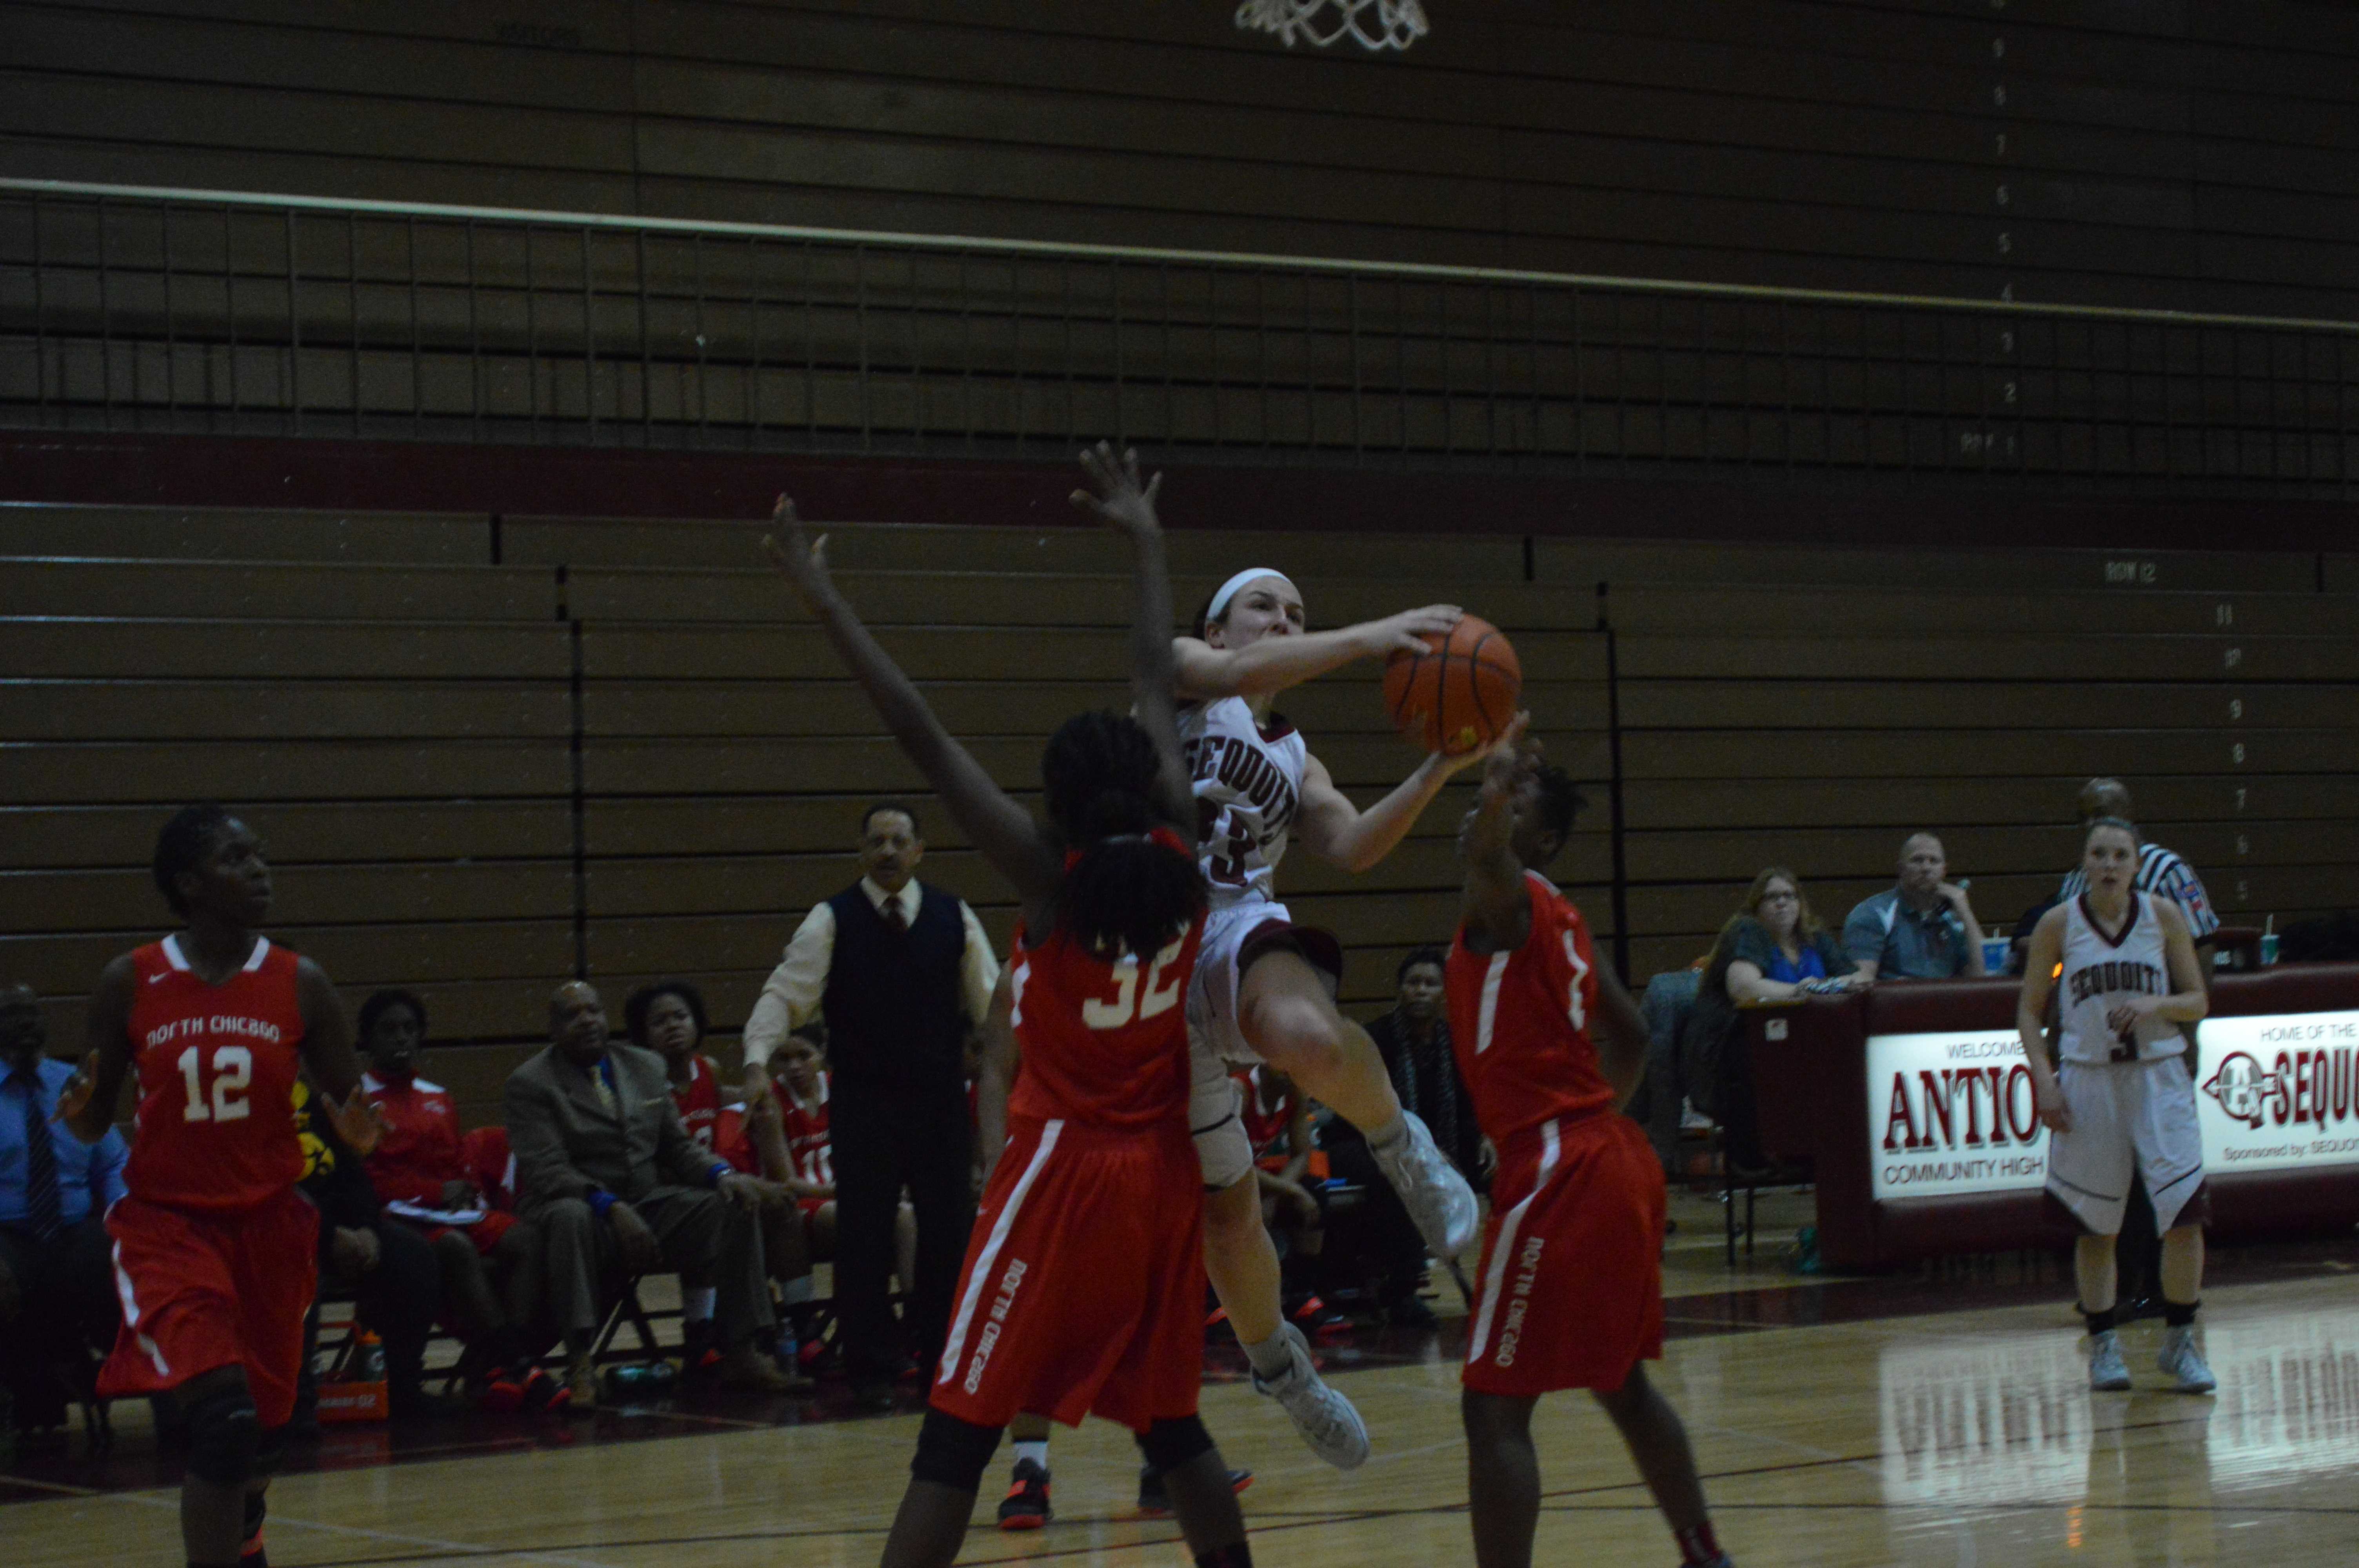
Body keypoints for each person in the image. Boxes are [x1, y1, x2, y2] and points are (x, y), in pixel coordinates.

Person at [765, 442, 1254, 1568]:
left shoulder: (1049, 878)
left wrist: (823, 593)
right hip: (1159, 1178)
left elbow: (920, 735)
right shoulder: (1178, 843)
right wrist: (1147, 540)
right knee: (1173, 1425)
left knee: (956, 1440)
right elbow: (1151, 672)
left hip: (1061, 1175)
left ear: (1060, 803)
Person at [59, 804, 383, 1568]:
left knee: (269, 1431)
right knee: (225, 1420)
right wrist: (78, 1109)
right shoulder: (130, 980)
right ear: (189, 882)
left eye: (261, 856)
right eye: (238, 858)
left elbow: (354, 1115)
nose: (260, 870)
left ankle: (246, 1527)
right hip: (170, 1229)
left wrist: (363, 1128)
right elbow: (90, 1118)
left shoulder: (299, 981)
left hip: (270, 1229)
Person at [1450, 731, 1734, 1568]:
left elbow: (1482, 848)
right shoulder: (1555, 910)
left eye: (1512, 804)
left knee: (1492, 1406)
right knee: (1618, 1382)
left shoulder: (1504, 897)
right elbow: (1635, 1031)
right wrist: (1582, 1121)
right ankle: (1703, 1553)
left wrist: (1561, 1135)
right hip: (1606, 1156)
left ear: (1536, 839)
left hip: (1563, 1164)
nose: (1489, 807)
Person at [738, 800, 1000, 1408]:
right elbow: (785, 995)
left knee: (947, 1234)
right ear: (861, 852)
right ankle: (872, 1371)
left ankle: (945, 1364)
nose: (887, 851)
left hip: (938, 1101)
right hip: (863, 1102)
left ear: (919, 851)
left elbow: (993, 1005)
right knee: (865, 1238)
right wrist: (756, 1060)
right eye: (876, 841)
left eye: (898, 840)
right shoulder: (830, 920)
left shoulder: (952, 915)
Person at [505, 981, 797, 1407]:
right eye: (572, 1014)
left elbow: (676, 1147)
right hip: (579, 1205)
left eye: (594, 1010)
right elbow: (548, 1170)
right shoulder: (530, 1083)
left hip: (648, 1202)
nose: (587, 1020)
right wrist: (612, 1206)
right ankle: (580, 1360)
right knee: (570, 1216)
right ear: (553, 1029)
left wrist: (721, 1174)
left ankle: (741, 1351)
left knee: (734, 1205)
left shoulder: (643, 1066)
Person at [2016, 816, 2215, 1395]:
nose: (2108, 865)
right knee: (2094, 1224)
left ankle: (2181, 1342)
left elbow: (2199, 1000)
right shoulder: (2060, 924)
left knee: (2184, 1216)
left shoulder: (2164, 917)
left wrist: (2156, 1005)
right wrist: (2044, 1080)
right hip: (2088, 1081)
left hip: (2158, 1080)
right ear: (2085, 863)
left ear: (2135, 864)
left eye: (2119, 855)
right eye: (2098, 855)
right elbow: (2029, 1012)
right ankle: (2103, 1345)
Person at [2053, 779, 2221, 1319]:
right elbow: (2058, 981)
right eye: (2087, 818)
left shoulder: (2169, 874)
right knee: (2104, 1195)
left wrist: (2183, 1031)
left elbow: (2204, 952)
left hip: (2158, 1055)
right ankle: (2116, 1298)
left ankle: (2164, 1296)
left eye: (2105, 812)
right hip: (2093, 1066)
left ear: (2130, 817)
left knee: (2168, 1188)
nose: (2095, 821)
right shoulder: (2071, 893)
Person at [353, 988, 560, 1411]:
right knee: (455, 1248)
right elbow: (364, 1180)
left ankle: (502, 1364)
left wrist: (463, 1189)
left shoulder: (438, 1096)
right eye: (389, 1029)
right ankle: (520, 1364)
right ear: (368, 1039)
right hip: (394, 1219)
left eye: (410, 1029)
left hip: (444, 1212)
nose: (401, 1038)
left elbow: (452, 1166)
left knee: (526, 1239)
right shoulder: (357, 1099)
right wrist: (433, 1193)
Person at [292, 1073, 463, 1426]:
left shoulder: (315, 1101)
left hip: (342, 1228)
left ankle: (403, 1390)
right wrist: (329, 1235)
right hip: (289, 1233)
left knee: (413, 1256)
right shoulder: (249, 1111)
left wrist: (367, 1230)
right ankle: (296, 1406)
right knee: (298, 1269)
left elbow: (354, 1175)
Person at [0, 983, 125, 1450]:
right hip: (8, 1234)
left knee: (141, 1270)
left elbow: (112, 1162)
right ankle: (28, 1401)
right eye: (12, 1015)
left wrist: (122, 1217)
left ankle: (167, 1402)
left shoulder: (72, 1085)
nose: (25, 1025)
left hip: (73, 1230)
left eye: (32, 1015)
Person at [1682, 869, 1860, 1175]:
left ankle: (1826, 1153)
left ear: (1800, 903)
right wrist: (1804, 990)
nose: (1782, 904)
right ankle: (1770, 1156)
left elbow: (1857, 978)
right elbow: (1743, 988)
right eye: (1772, 897)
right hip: (1733, 1050)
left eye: (1789, 896)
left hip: (1799, 1046)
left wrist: (1823, 988)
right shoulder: (1749, 931)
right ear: (1757, 906)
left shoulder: (1814, 939)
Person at [1841, 833, 1987, 980]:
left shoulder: (1954, 917)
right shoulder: (1872, 913)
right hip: (1895, 1001)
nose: (1926, 868)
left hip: (1947, 1001)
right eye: (1918, 860)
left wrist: (1966, 913)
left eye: (1934, 861)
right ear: (1901, 869)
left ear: (1944, 870)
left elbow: (1983, 977)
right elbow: (1861, 980)